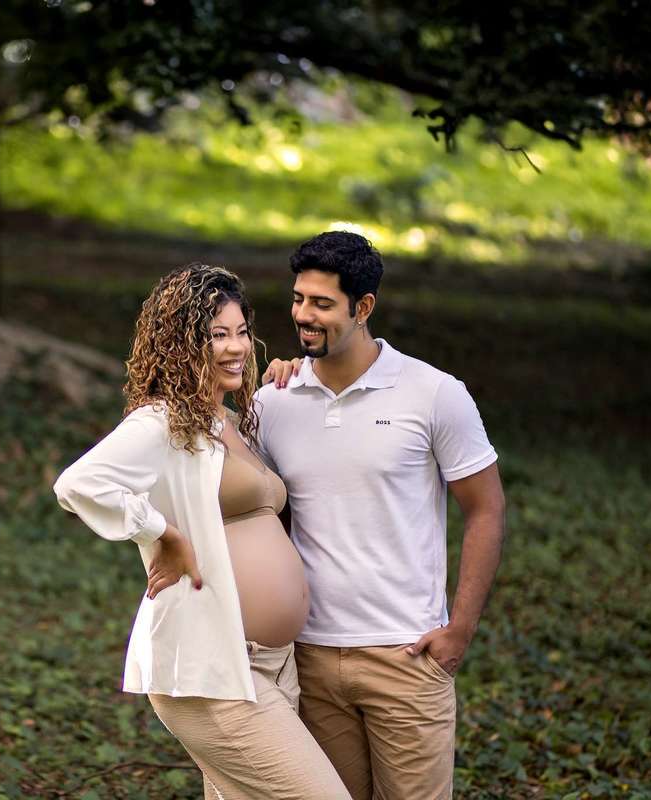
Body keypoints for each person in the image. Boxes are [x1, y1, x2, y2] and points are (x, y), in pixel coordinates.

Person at [53, 264, 350, 800]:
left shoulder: (230, 422)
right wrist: (162, 532)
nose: (236, 347)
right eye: (218, 335)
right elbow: (79, 483)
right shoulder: (163, 422)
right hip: (214, 667)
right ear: (181, 344)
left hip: (273, 664)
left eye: (240, 332)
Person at [256, 231, 507, 800]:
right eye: (298, 299)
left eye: (322, 304)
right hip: (310, 656)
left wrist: (459, 629)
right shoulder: (273, 401)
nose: (303, 316)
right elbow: (260, 512)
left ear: (363, 307)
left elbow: (486, 509)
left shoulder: (434, 393)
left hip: (407, 655)